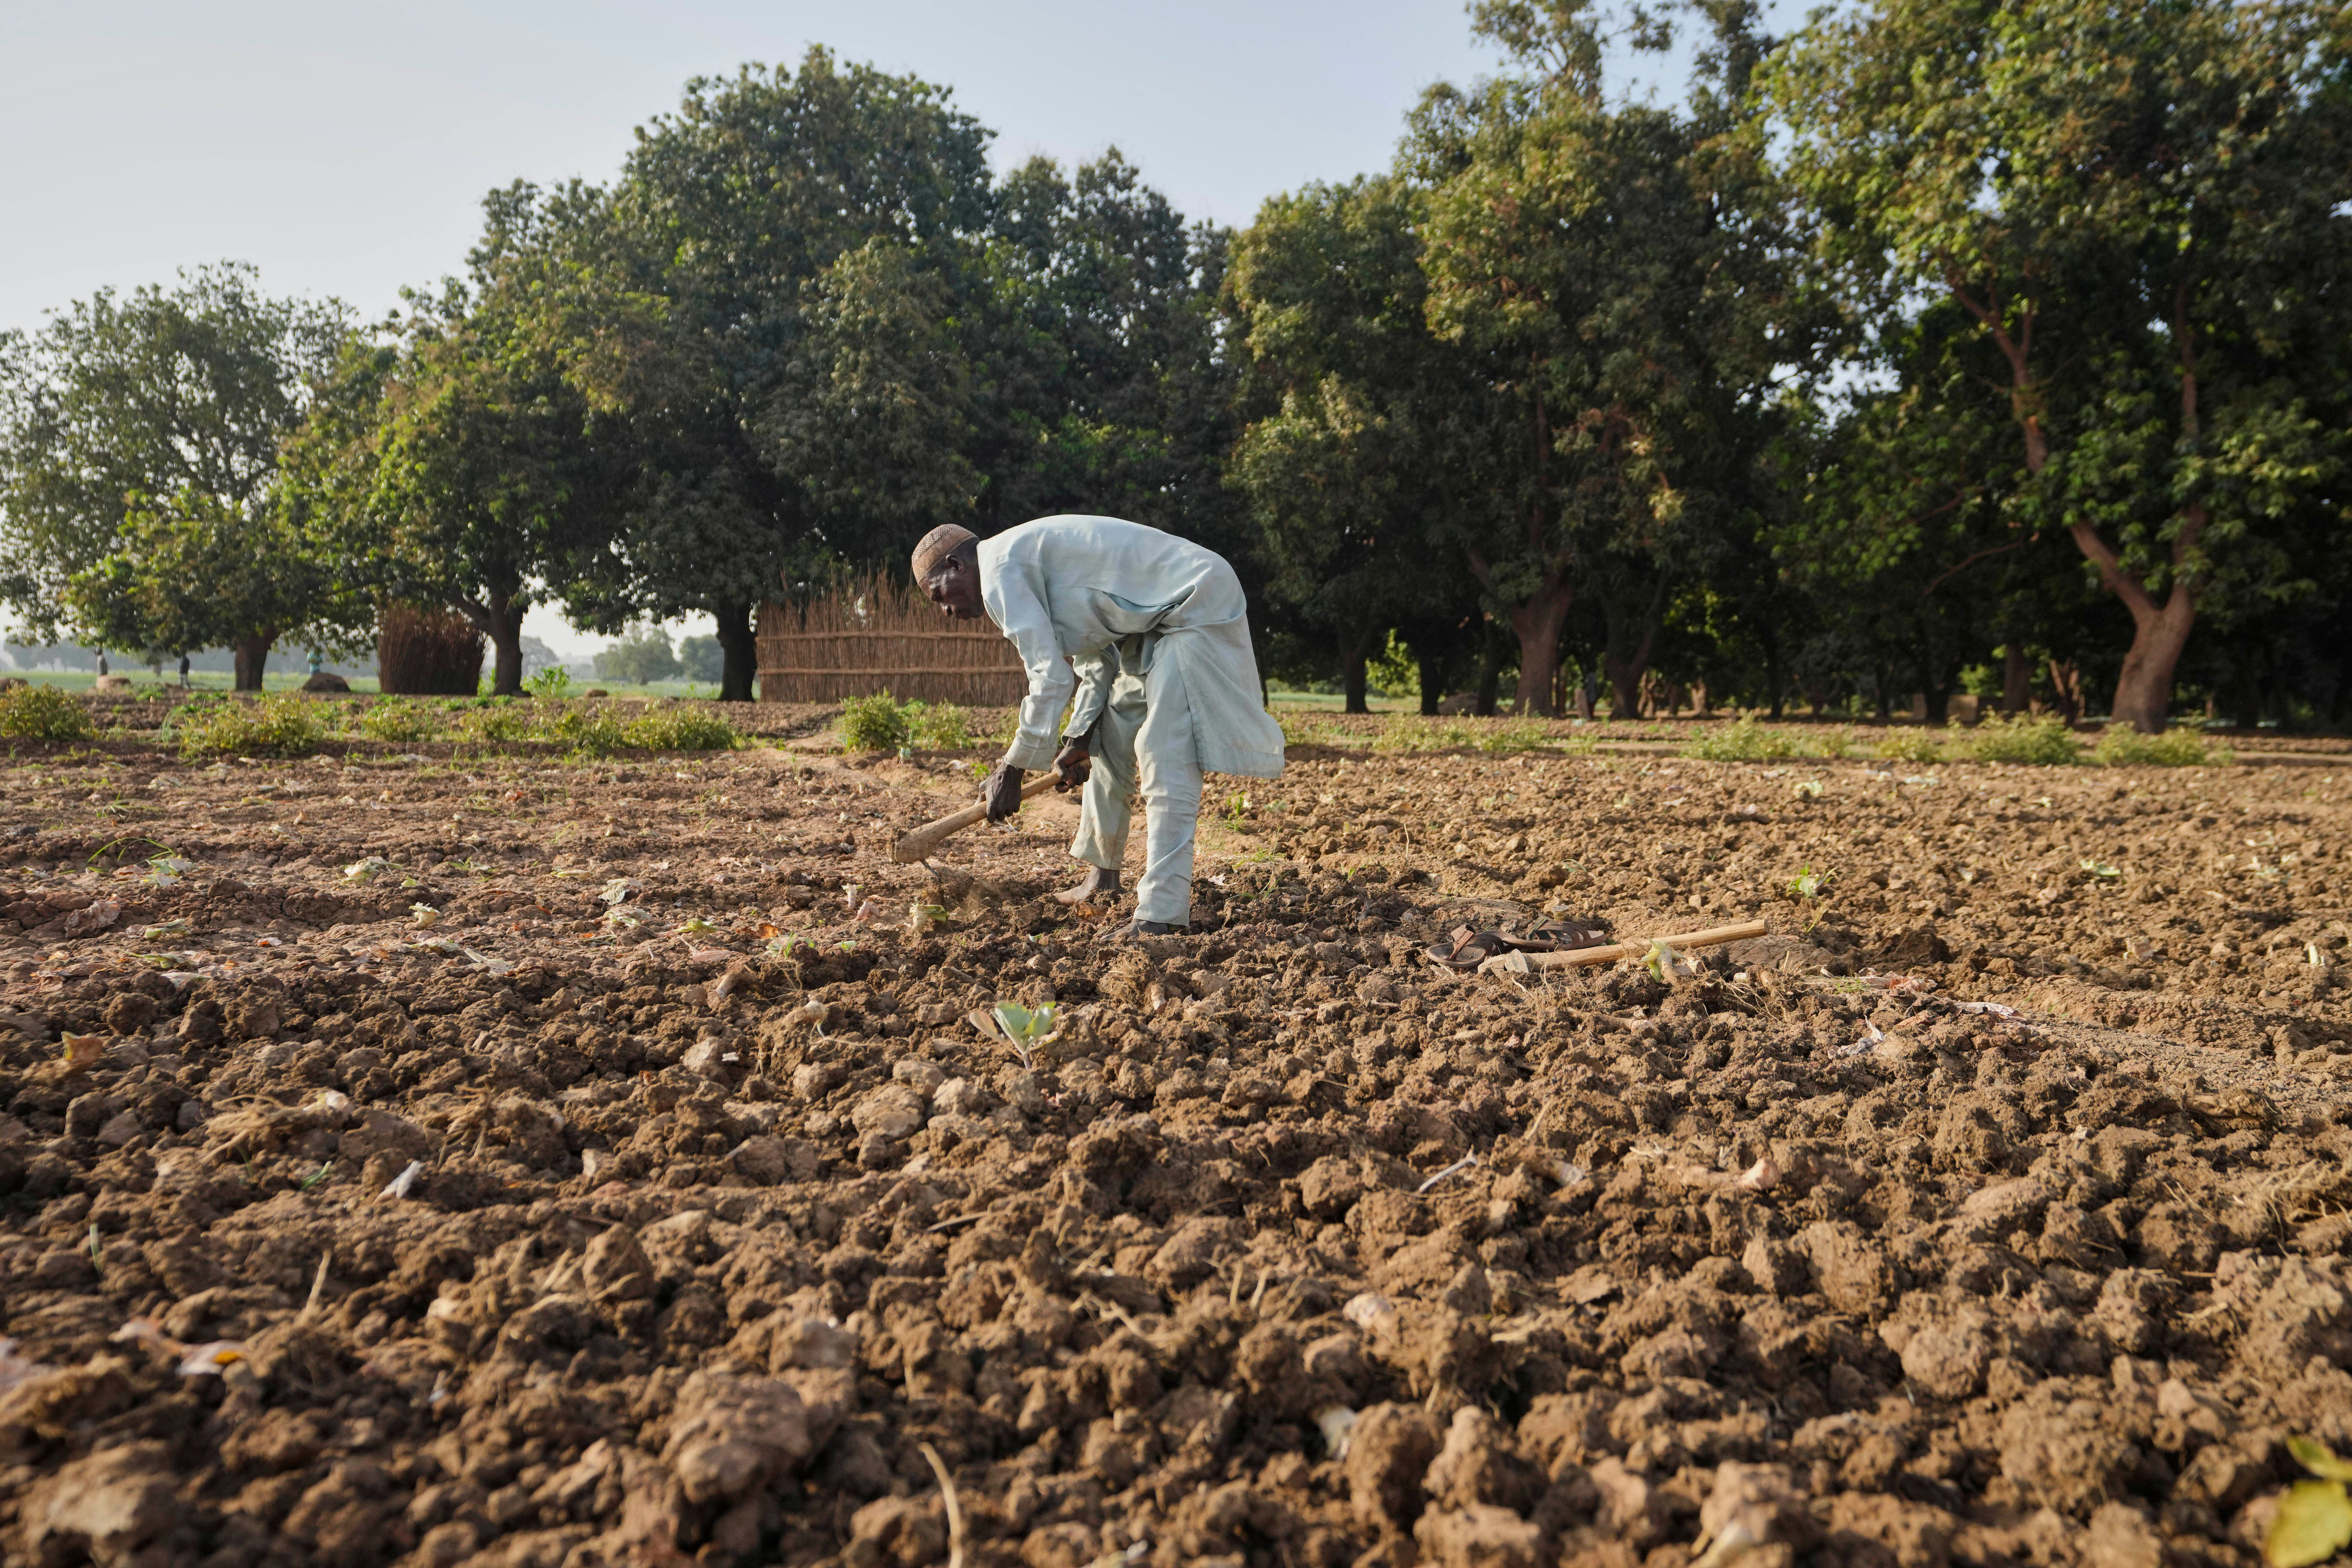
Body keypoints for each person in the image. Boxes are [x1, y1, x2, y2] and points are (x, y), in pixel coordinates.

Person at [913, 515, 1286, 937]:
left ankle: (1161, 914)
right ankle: (1103, 877)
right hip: (1149, 627)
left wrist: (1012, 770)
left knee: (1166, 753)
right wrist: (1080, 738)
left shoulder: (999, 573)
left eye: (939, 594)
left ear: (957, 566)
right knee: (1108, 740)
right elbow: (1097, 658)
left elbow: (1051, 680)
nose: (946, 610)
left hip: (1193, 604)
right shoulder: (1019, 564)